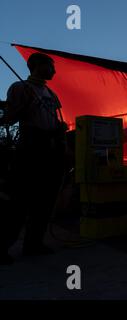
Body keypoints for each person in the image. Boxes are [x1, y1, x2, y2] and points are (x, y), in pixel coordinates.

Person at [0, 53, 67, 265]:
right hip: (31, 146)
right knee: (19, 200)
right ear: (37, 65)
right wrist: (22, 106)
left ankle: (33, 243)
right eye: (51, 66)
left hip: (51, 147)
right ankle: (2, 247)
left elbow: (56, 119)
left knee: (45, 200)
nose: (54, 71)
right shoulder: (20, 88)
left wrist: (60, 133)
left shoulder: (50, 92)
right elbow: (9, 118)